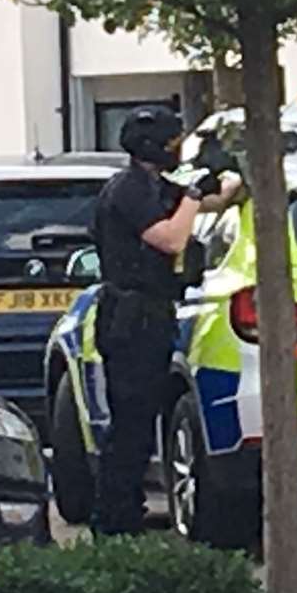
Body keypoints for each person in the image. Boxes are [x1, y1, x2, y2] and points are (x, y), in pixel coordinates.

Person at [89, 106, 241, 535]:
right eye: (174, 143)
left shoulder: (155, 186)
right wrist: (192, 195)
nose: (179, 149)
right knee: (132, 425)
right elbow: (170, 238)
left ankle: (122, 514)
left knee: (141, 420)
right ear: (153, 147)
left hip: (150, 317)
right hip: (130, 320)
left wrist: (226, 174)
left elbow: (215, 200)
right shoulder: (129, 190)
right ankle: (115, 520)